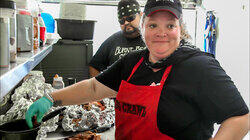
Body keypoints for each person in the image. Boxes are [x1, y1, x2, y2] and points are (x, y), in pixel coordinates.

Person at [26, 0, 249, 139]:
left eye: (170, 26)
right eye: (153, 25)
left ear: (180, 29)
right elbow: (94, 88)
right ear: (143, 28)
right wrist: (50, 99)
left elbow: (240, 118)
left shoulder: (200, 66)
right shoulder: (132, 62)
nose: (161, 33)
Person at [89, 0, 146, 77]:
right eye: (122, 21)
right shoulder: (113, 40)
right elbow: (94, 66)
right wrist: (99, 87)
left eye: (130, 18)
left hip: (144, 87)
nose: (126, 23)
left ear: (141, 15)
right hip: (118, 88)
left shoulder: (151, 38)